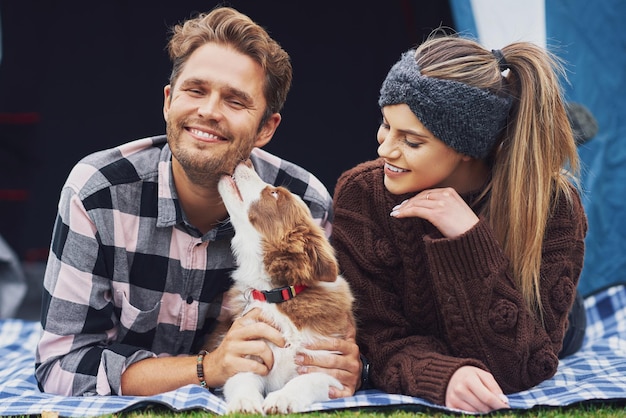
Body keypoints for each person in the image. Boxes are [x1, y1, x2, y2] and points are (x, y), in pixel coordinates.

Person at [35, 6, 360, 398]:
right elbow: (60, 366)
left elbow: (336, 346)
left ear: (265, 129)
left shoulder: (305, 205)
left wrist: (342, 363)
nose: (208, 111)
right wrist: (209, 368)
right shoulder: (98, 193)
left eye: (235, 101)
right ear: (169, 101)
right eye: (196, 90)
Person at [331, 33, 588, 413]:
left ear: (468, 148)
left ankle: (566, 130)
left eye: (412, 141)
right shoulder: (362, 195)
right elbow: (379, 337)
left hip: (540, 312)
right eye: (386, 124)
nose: (384, 149)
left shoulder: (553, 207)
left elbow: (524, 366)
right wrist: (442, 374)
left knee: (567, 328)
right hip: (431, 336)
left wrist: (467, 238)